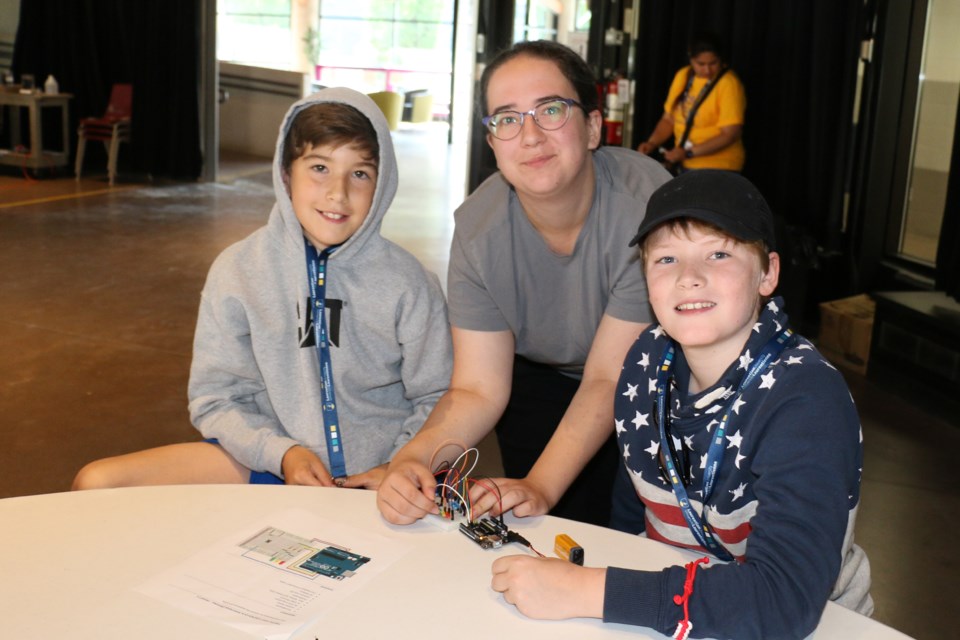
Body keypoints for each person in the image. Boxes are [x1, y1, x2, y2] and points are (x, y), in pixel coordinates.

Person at [490, 170, 873, 639]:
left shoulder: (806, 398)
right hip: (678, 608)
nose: (690, 278)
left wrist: (590, 592)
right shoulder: (647, 359)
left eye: (719, 253)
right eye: (667, 258)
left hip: (808, 622)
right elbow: (635, 508)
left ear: (768, 273)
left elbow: (784, 601)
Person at [72, 87, 452, 491]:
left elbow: (440, 397)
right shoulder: (237, 270)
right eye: (319, 168)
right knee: (97, 482)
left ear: (382, 185)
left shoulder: (409, 283)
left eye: (359, 173)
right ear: (286, 173)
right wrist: (281, 453)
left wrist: (399, 462)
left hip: (383, 476)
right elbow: (216, 399)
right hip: (266, 464)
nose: (337, 193)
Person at [376, 40, 671, 527]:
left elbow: (606, 379)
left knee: (632, 528)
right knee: (541, 524)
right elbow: (477, 388)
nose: (529, 136)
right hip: (541, 377)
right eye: (507, 119)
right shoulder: (478, 232)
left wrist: (543, 483)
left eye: (550, 110)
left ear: (593, 127)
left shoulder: (645, 210)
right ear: (492, 143)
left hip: (647, 380)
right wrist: (415, 457)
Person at [637, 32, 746, 173]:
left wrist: (688, 153)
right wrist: (652, 143)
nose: (707, 70)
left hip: (719, 166)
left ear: (721, 59)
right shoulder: (683, 75)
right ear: (691, 59)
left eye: (713, 63)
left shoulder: (729, 84)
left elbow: (730, 134)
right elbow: (669, 119)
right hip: (686, 164)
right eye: (701, 64)